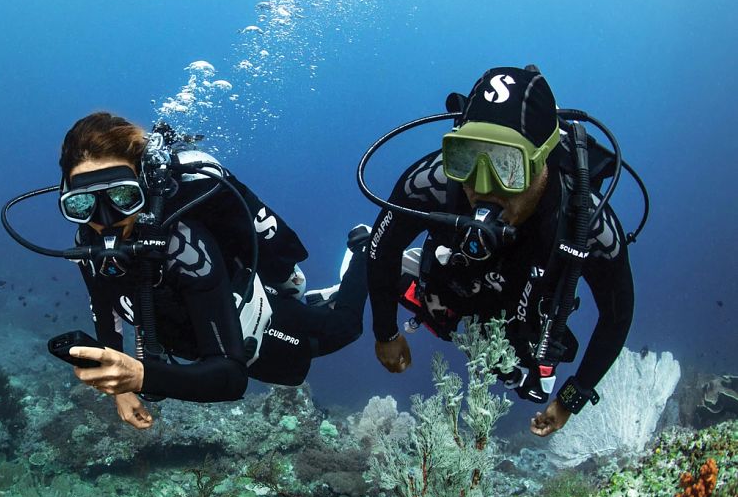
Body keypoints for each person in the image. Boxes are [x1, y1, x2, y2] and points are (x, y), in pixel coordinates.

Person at [361, 66, 635, 437]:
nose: (482, 185)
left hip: (519, 313)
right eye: (467, 158)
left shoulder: (585, 222)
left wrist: (572, 398)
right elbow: (383, 245)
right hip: (450, 289)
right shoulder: (435, 182)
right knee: (388, 270)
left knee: (524, 376)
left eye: (508, 165)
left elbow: (617, 316)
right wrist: (385, 331)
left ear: (544, 160)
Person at [57, 112, 369, 429]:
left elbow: (231, 378)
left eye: (123, 196)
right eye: (83, 204)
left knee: (344, 329)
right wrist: (121, 391)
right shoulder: (89, 245)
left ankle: (364, 250)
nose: (105, 219)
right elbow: (103, 307)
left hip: (254, 326)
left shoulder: (185, 247)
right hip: (205, 341)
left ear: (143, 184)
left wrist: (139, 376)